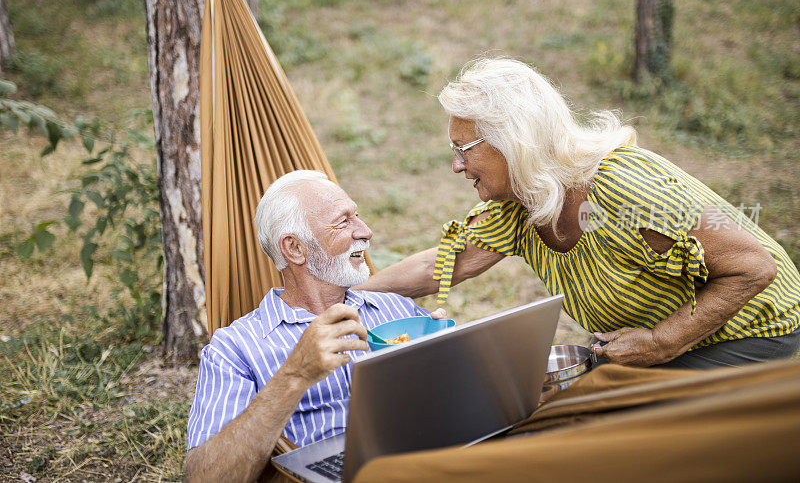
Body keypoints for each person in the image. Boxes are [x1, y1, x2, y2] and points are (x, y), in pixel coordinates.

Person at [359, 57, 800, 369]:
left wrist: (663, 341)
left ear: (515, 141)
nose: (456, 165)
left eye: (463, 149)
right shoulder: (519, 200)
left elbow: (753, 267)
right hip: (653, 339)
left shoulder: (622, 189)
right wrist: (345, 299)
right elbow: (438, 266)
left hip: (749, 332)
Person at [184, 170, 445, 483]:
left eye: (357, 216)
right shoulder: (236, 348)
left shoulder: (394, 308)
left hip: (433, 455)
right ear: (295, 248)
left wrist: (447, 351)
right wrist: (295, 374)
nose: (366, 231)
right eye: (343, 222)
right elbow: (205, 478)